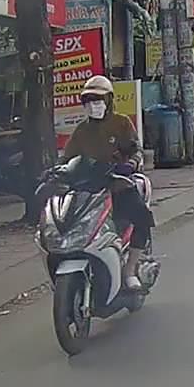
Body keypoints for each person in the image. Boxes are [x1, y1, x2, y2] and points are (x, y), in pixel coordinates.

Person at [59, 75, 153, 289]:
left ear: (109, 100)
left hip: (118, 184)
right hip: (88, 188)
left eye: (98, 100)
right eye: (89, 100)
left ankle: (130, 270)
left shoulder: (121, 123)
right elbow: (67, 157)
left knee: (142, 218)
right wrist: (57, 170)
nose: (94, 105)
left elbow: (136, 150)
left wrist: (130, 164)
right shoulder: (82, 130)